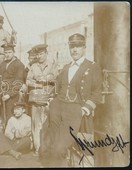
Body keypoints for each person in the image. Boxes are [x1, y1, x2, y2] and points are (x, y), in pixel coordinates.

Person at [39, 33, 102, 166]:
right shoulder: (66, 67)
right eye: (72, 46)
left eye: (78, 46)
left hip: (75, 110)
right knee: (46, 145)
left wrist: (86, 108)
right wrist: (51, 100)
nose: (74, 50)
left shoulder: (92, 67)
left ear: (84, 48)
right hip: (57, 108)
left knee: (60, 146)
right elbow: (57, 88)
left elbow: (97, 92)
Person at [26, 44, 57, 156]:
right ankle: (38, 149)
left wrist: (45, 78)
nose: (39, 56)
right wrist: (37, 85)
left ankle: (48, 148)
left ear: (46, 53)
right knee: (36, 125)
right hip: (36, 100)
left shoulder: (52, 64)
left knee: (48, 125)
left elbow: (55, 77)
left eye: (41, 53)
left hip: (48, 100)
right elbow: (28, 81)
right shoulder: (33, 66)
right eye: (38, 54)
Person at [0, 43, 25, 123]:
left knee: (11, 116)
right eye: (6, 53)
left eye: (9, 52)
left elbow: (19, 81)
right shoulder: (3, 64)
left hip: (12, 95)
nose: (7, 55)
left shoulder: (19, 64)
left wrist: (9, 94)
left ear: (14, 52)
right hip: (3, 93)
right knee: (2, 116)